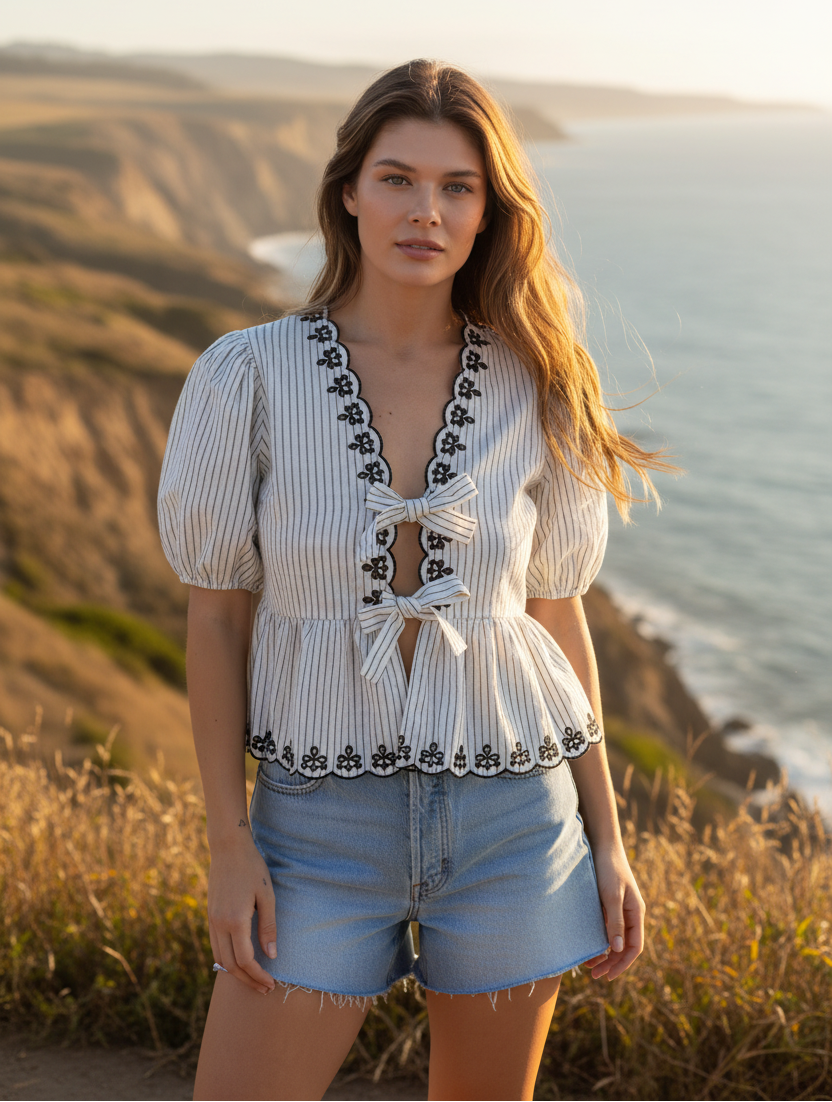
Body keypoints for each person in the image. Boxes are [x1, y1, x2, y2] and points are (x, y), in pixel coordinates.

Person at [158, 59, 673, 1102]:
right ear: (348, 190)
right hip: (314, 830)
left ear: (488, 214)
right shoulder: (245, 375)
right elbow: (214, 619)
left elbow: (552, 614)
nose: (423, 212)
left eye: (456, 188)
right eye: (396, 179)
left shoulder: (538, 383)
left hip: (511, 821)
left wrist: (608, 839)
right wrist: (227, 841)